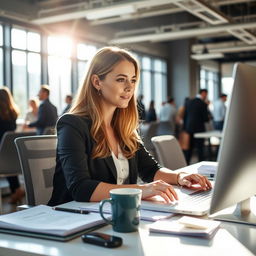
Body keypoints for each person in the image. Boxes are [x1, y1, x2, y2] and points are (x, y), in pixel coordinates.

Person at [48, 47, 211, 207]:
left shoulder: (123, 128)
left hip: (116, 215)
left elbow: (150, 170)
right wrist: (141, 190)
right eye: (121, 79)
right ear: (97, 82)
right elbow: (81, 188)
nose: (130, 87)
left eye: (133, 80)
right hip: (73, 218)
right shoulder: (72, 124)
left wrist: (180, 176)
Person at [0, 86, 25, 204]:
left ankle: (16, 190)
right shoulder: (13, 113)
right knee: (6, 161)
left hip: (2, 155)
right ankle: (16, 189)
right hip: (11, 155)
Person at [183, 89, 210, 164]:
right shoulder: (203, 103)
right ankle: (201, 163)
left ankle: (186, 163)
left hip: (189, 128)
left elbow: (185, 116)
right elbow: (206, 119)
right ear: (203, 93)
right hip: (199, 128)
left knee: (190, 147)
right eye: (206, 94)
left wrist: (185, 128)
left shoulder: (189, 102)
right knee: (200, 148)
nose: (206, 96)